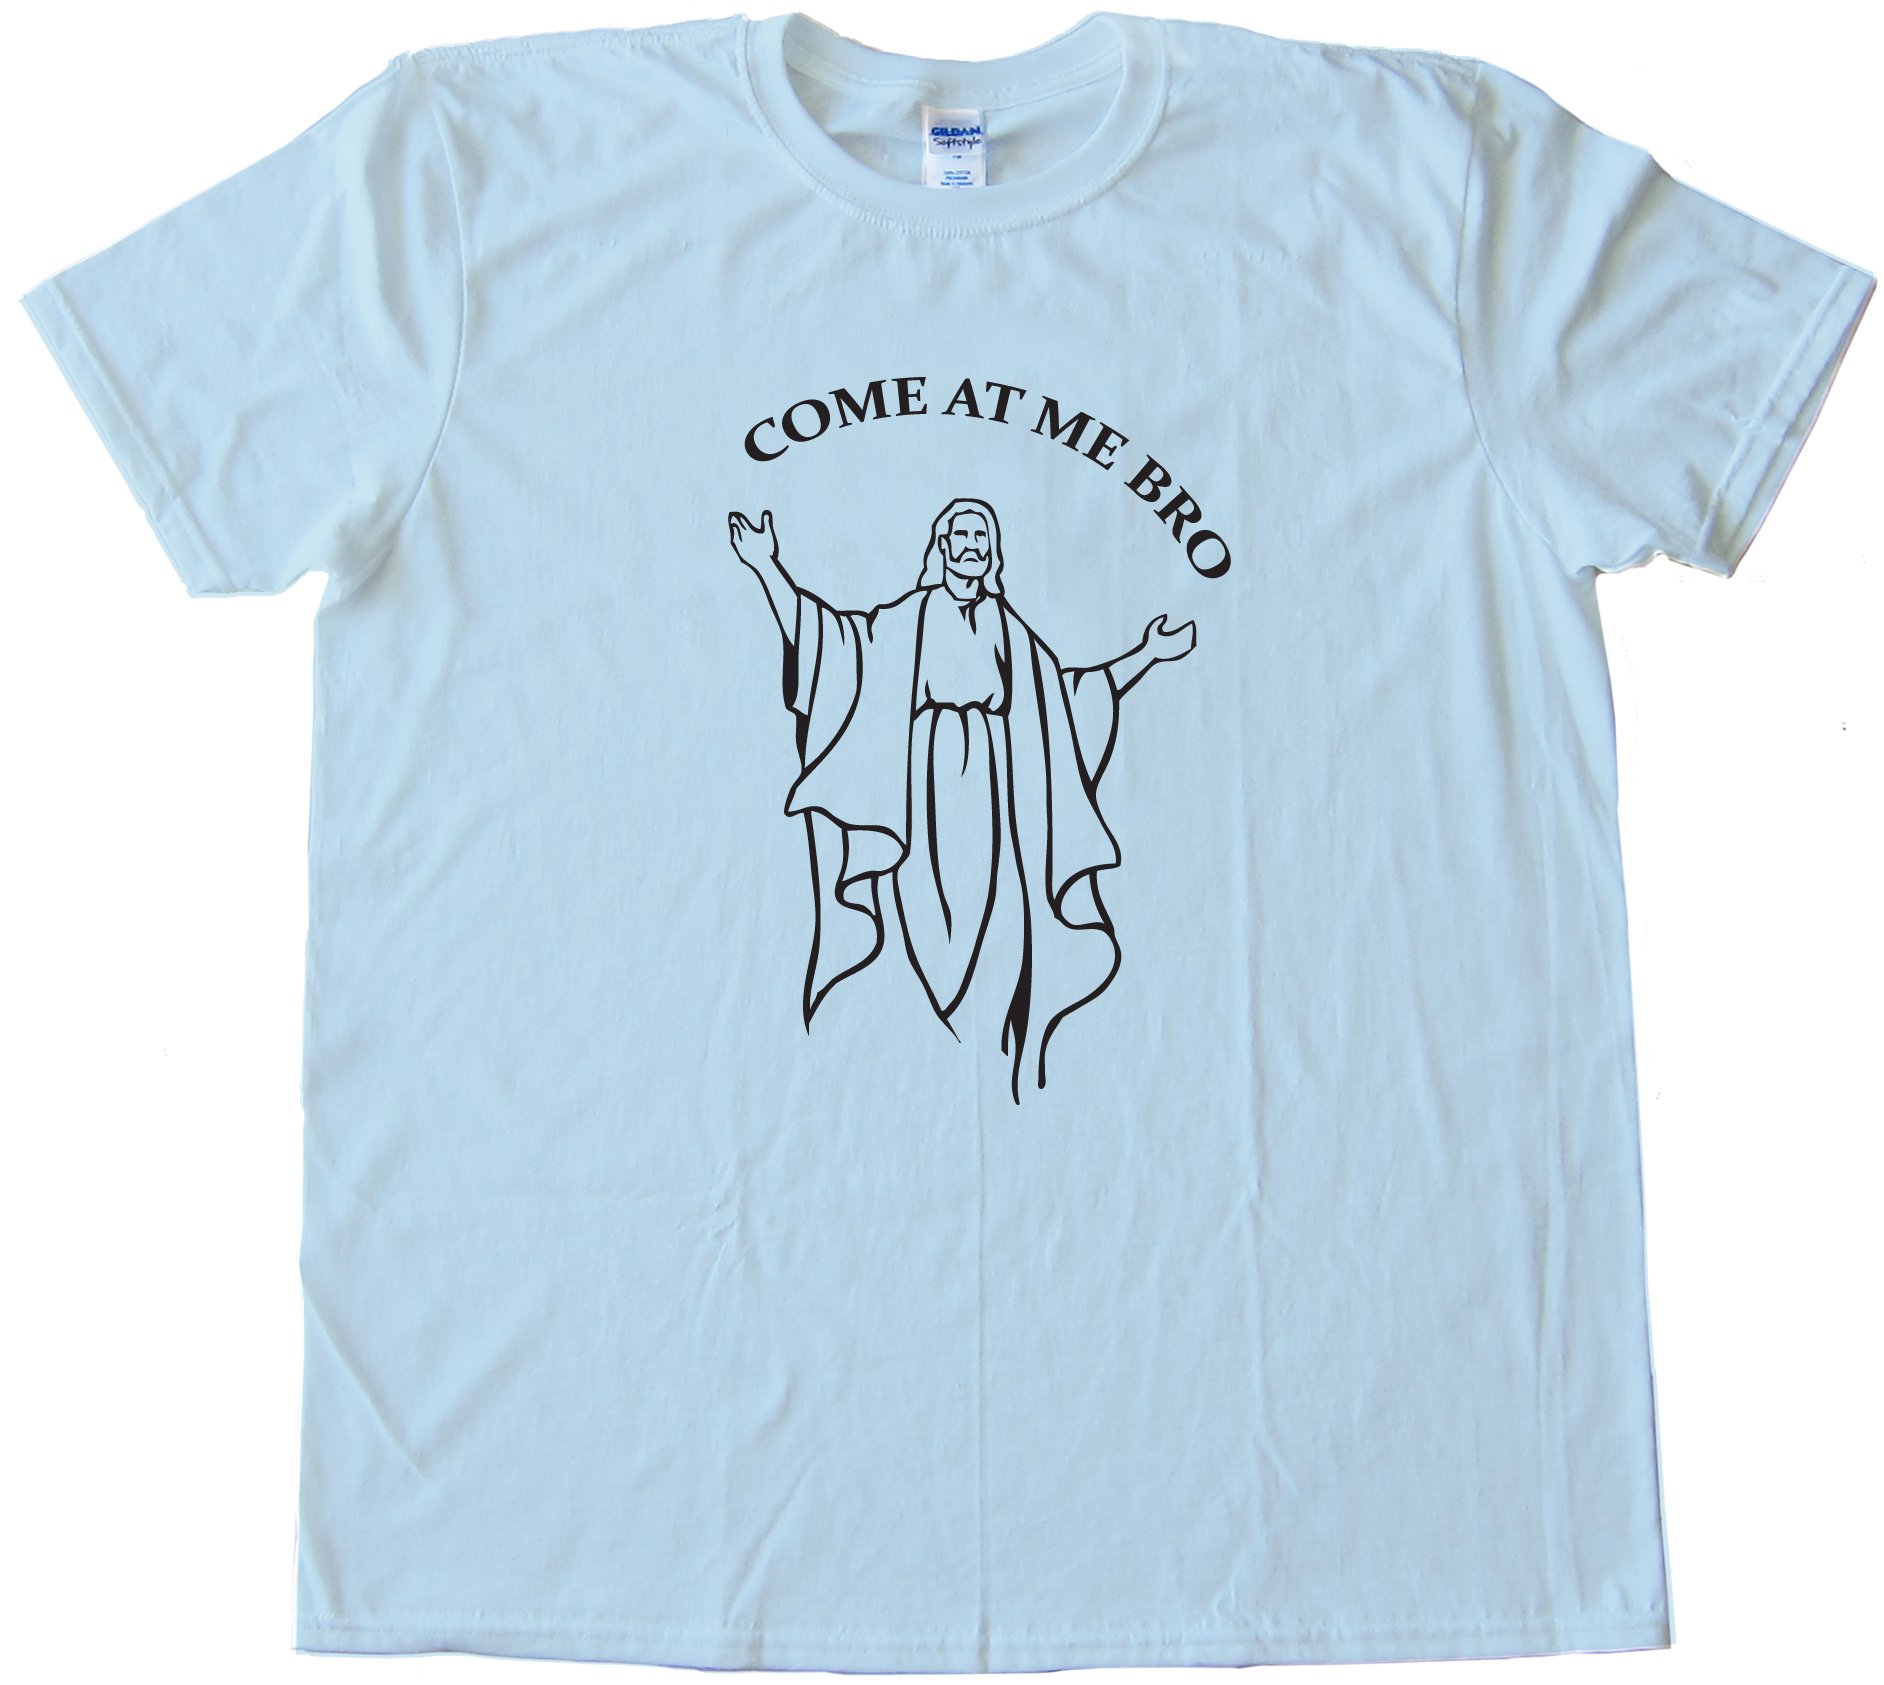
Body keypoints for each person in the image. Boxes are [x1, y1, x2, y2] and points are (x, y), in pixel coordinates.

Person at [728, 495, 1195, 1099]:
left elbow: (1068, 700)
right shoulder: (906, 620)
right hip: (922, 792)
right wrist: (767, 567)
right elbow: (831, 645)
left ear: (992, 552)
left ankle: (1000, 1041)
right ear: (941, 546)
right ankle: (908, 1056)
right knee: (917, 917)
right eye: (961, 535)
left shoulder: (1012, 633)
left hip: (998, 799)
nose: (971, 546)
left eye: (982, 537)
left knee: (1006, 923)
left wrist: (1147, 656)